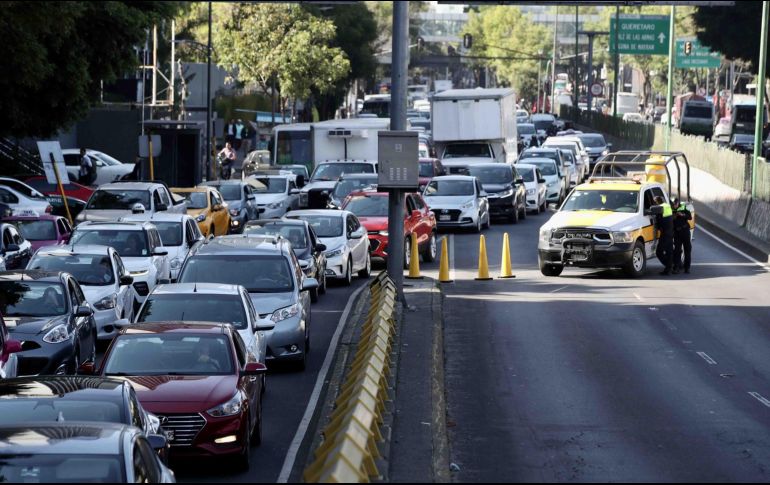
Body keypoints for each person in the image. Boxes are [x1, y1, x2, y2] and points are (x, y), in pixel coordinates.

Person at [654, 196, 674, 276]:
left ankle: (669, 267)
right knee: (669, 252)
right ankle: (669, 268)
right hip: (670, 232)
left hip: (665, 233)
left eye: (655, 202)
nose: (654, 203)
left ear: (657, 202)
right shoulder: (667, 206)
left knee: (659, 252)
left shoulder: (660, 208)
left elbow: (659, 222)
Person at [671, 197, 693, 274]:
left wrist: (682, 214)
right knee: (677, 250)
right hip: (677, 233)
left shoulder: (683, 208)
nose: (674, 206)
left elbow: (690, 217)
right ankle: (676, 267)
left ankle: (687, 268)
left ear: (678, 203)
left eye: (675, 204)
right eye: (673, 205)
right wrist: (674, 216)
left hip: (685, 231)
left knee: (687, 249)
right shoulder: (671, 209)